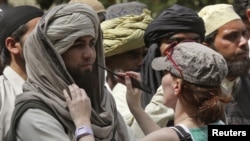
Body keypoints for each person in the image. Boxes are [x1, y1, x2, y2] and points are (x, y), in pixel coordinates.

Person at [6, 3, 130, 141]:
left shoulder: (102, 101)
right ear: (54, 54)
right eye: (78, 45)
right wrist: (83, 124)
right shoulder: (34, 114)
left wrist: (136, 108)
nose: (89, 54)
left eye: (92, 44)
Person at [124, 41, 230, 141]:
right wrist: (136, 108)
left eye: (166, 72)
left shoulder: (167, 136)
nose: (163, 79)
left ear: (177, 86)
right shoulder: (219, 125)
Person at [141, 4, 205, 109]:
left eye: (193, 42)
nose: (185, 49)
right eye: (173, 42)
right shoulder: (131, 91)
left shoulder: (211, 91)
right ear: (157, 48)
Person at [198, 4, 250, 124]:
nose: (243, 42)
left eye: (244, 34)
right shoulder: (187, 93)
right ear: (206, 48)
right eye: (232, 36)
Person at [0, 5, 43, 140]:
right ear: (12, 45)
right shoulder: (2, 94)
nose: (49, 41)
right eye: (39, 35)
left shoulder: (55, 88)